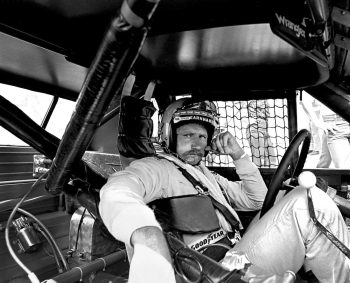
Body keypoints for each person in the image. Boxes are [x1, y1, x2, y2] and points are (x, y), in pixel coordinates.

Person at [99, 98, 350, 283]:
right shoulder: (157, 169)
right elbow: (117, 191)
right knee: (310, 202)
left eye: (202, 136)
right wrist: (143, 231)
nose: (197, 143)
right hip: (218, 269)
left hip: (235, 249)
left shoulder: (207, 175)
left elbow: (258, 200)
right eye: (188, 135)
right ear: (168, 135)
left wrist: (238, 155)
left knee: (288, 193)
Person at [299, 99, 350, 169]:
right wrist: (317, 122)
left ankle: (318, 179)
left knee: (324, 162)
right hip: (337, 124)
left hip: (341, 122)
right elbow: (304, 101)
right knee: (344, 169)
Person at [246, 100, 278, 167]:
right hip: (256, 127)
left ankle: (270, 173)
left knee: (271, 157)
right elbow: (251, 107)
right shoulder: (255, 103)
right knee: (258, 157)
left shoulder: (265, 103)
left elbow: (267, 113)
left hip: (264, 128)